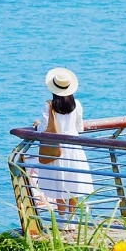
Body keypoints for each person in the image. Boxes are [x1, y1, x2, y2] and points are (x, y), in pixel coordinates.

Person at [30, 67, 94, 221]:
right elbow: (80, 127)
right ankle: (72, 219)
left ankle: (62, 218)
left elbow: (45, 128)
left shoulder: (50, 106)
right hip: (74, 145)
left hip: (56, 146)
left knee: (59, 182)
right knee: (74, 182)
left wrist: (37, 124)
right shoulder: (77, 104)